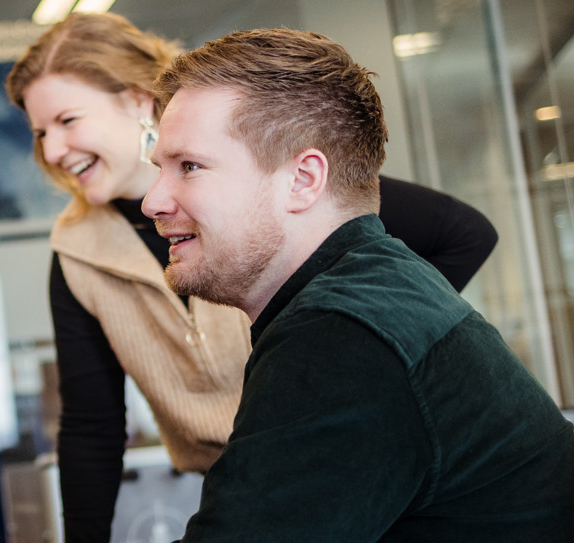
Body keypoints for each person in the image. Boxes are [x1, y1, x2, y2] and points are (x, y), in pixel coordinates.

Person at [3, 13, 499, 541]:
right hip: (241, 476)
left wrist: (369, 358)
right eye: (39, 133)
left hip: (338, 463)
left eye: (67, 120)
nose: (52, 150)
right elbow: (91, 424)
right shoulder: (78, 249)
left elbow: (461, 234)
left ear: (136, 98)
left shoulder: (266, 184)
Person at [142, 28, 574, 540]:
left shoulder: (339, 338)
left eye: (189, 167)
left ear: (303, 179)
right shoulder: (383, 284)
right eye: (159, 169)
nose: (153, 202)